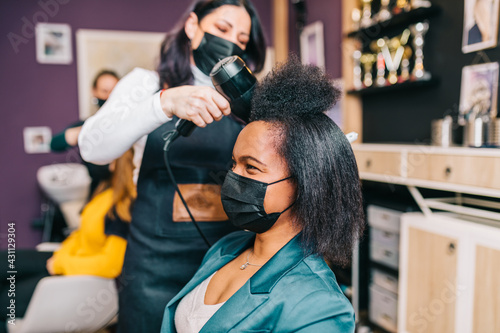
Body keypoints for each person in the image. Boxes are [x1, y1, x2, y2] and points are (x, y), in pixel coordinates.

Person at [78, 1, 266, 332]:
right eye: (222, 29)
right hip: (152, 268)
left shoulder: (249, 102)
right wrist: (163, 104)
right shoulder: (145, 85)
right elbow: (92, 148)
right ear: (192, 26)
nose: (231, 43)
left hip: (223, 264)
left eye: (241, 38)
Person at [160, 57, 365, 332]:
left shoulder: (320, 308)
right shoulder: (225, 249)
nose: (233, 177)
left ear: (306, 183)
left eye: (251, 167)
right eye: (233, 164)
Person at [0, 148, 135, 333]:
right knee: (4, 261)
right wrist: (63, 255)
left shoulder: (123, 204)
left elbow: (111, 264)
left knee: (6, 299)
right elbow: (80, 234)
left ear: (115, 163)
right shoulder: (104, 194)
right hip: (68, 257)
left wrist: (62, 264)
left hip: (83, 272)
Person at [50, 70, 120, 194]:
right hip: (99, 193)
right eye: (105, 91)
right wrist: (87, 131)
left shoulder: (129, 123)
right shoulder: (87, 125)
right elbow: (54, 144)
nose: (109, 97)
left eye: (114, 92)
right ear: (94, 92)